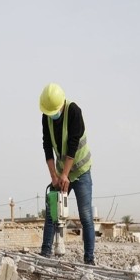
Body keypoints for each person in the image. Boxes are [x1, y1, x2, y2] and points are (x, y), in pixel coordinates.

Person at [39, 83, 95, 265]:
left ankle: (89, 259)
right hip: (62, 172)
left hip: (81, 171)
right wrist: (54, 176)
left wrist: (65, 175)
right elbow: (47, 146)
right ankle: (45, 254)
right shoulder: (46, 116)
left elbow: (72, 145)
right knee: (51, 213)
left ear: (61, 104)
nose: (52, 115)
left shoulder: (74, 112)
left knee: (85, 216)